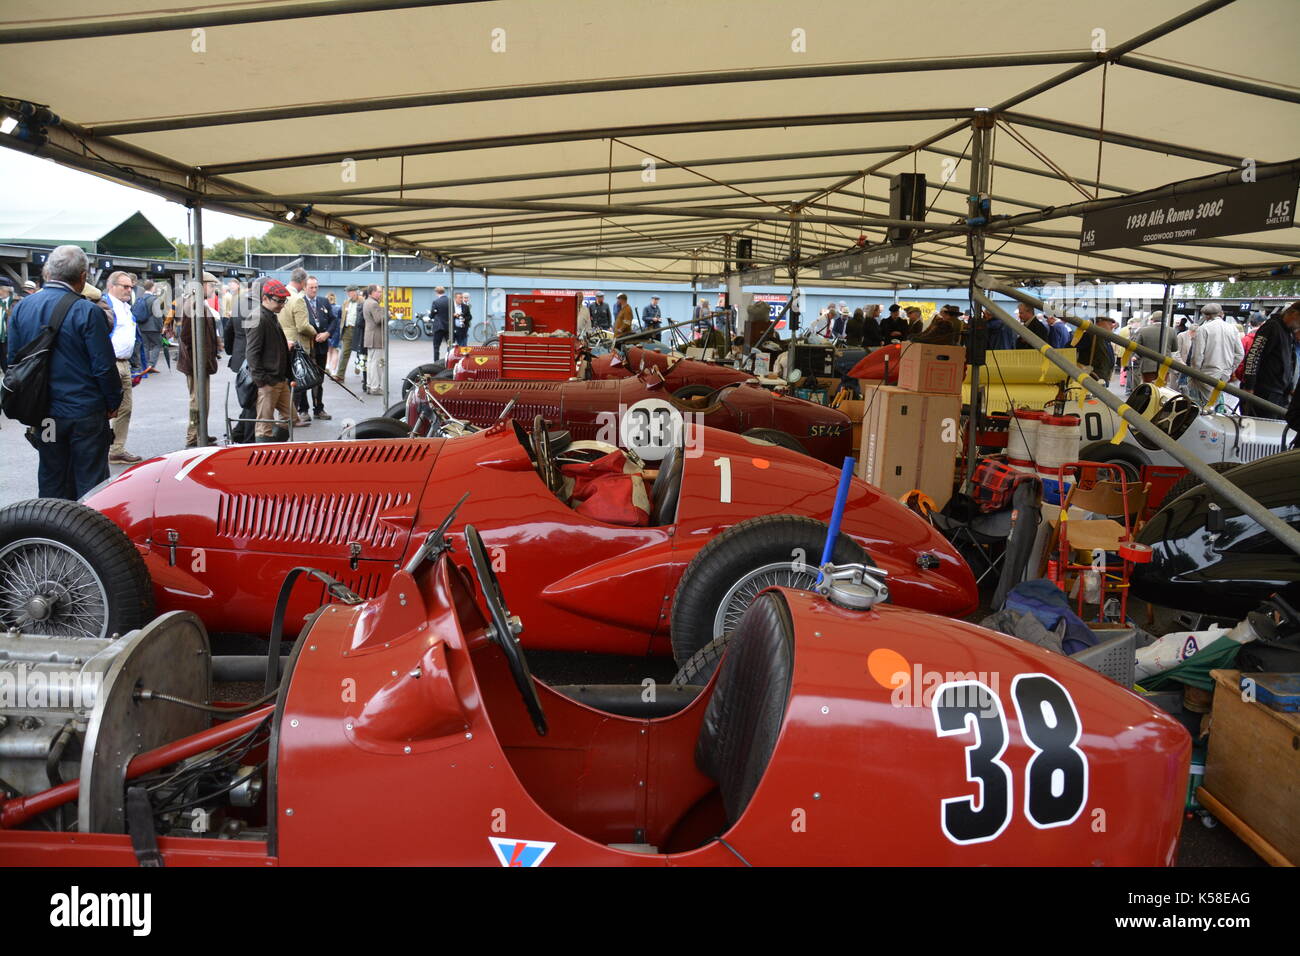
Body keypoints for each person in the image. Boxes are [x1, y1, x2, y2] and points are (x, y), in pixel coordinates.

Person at [6, 245, 122, 498]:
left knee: (52, 475)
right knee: (91, 483)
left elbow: (12, 361)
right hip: (84, 412)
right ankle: (88, 534)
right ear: (83, 276)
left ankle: (52, 533)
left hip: (44, 414)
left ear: (47, 272)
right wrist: (113, 402)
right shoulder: (87, 311)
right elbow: (103, 366)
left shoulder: (22, 308)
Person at [246, 278, 293, 442]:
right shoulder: (258, 317)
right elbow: (252, 352)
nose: (282, 304)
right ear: (265, 298)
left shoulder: (269, 315)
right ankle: (266, 457)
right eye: (279, 301)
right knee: (264, 426)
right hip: (269, 379)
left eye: (284, 300)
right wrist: (262, 381)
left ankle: (275, 450)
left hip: (277, 378)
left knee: (291, 418)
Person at [102, 270, 141, 463]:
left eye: (130, 287)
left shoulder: (125, 307)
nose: (129, 290)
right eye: (125, 286)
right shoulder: (104, 306)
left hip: (124, 363)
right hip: (110, 363)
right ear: (112, 286)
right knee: (106, 408)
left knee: (125, 408)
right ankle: (102, 448)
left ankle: (116, 448)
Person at [177, 272, 220, 447]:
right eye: (212, 285)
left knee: (202, 400)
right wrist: (197, 362)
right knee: (198, 400)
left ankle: (200, 433)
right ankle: (193, 436)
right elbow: (186, 337)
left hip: (200, 363)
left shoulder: (198, 303)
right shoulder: (194, 304)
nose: (214, 289)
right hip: (196, 364)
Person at [1240, 302, 1300, 416]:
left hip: (1277, 394)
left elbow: (1289, 363)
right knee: (1256, 429)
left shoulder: (1287, 333)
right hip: (1263, 392)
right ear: (1294, 314)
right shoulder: (1272, 327)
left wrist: (1290, 388)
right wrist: (1249, 386)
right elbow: (1254, 356)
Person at [278, 267, 315, 426]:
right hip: (297, 344)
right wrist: (315, 332)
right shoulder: (298, 299)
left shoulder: (280, 294)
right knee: (297, 382)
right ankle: (291, 417)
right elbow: (302, 326)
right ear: (302, 282)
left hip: (281, 341)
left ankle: (285, 416)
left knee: (285, 381)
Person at [1188, 303, 1244, 408]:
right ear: (1221, 314)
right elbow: (1240, 354)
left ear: (1206, 316)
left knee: (1204, 407)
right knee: (1217, 405)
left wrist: (1195, 373)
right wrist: (1230, 369)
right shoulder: (1232, 329)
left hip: (1206, 375)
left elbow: (1197, 356)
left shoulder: (1204, 329)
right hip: (1224, 374)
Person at [300, 276, 333, 421]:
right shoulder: (300, 302)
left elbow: (333, 320)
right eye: (311, 287)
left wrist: (327, 333)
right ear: (304, 287)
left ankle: (319, 408)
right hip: (307, 347)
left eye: (316, 287)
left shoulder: (323, 301)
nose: (314, 290)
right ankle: (303, 410)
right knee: (303, 379)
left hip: (321, 346)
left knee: (319, 379)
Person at [1132, 311, 1176, 384]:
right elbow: (1175, 348)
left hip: (1147, 366)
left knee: (1148, 388)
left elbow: (1137, 348)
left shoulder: (1143, 330)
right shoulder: (1171, 331)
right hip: (1165, 365)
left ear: (1153, 319)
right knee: (1162, 389)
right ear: (1165, 319)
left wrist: (1138, 356)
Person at [131, 278, 163, 373]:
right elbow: (157, 316)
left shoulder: (139, 298)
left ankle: (144, 365)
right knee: (157, 345)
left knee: (145, 346)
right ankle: (151, 365)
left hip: (142, 326)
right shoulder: (155, 300)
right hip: (153, 327)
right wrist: (161, 327)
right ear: (152, 287)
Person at [1077, 315, 1119, 384]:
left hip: (1102, 377)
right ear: (1100, 323)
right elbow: (1071, 347)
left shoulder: (1105, 337)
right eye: (1109, 324)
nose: (1112, 326)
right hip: (1092, 376)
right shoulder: (1089, 335)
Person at [362, 284, 387, 395]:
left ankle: (370, 385)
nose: (380, 294)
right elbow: (378, 320)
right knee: (377, 364)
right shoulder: (373, 303)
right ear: (372, 292)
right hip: (376, 336)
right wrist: (388, 314)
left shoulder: (367, 302)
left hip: (370, 336)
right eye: (379, 292)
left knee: (371, 362)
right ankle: (375, 387)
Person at [335, 286, 361, 382]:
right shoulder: (346, 302)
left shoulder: (362, 301)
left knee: (361, 352)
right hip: (347, 330)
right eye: (347, 292)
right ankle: (340, 375)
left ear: (355, 292)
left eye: (349, 292)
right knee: (344, 353)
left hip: (358, 330)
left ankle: (360, 368)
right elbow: (342, 316)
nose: (347, 294)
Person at [428, 285, 450, 360]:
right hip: (448, 327)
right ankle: (449, 361)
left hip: (438, 326)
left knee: (436, 346)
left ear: (437, 292)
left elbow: (432, 315)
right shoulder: (450, 301)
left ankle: (436, 362)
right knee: (450, 346)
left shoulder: (436, 302)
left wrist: (430, 315)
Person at [325, 291, 342, 375]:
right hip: (336, 331)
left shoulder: (325, 308)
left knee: (328, 350)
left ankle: (327, 365)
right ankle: (334, 371)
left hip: (327, 330)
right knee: (335, 351)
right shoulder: (339, 308)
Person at [0, 280, 13, 370]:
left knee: (9, 362)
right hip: (0, 338)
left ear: (7, 290)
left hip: (10, 338)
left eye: (0, 289)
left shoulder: (16, 302)